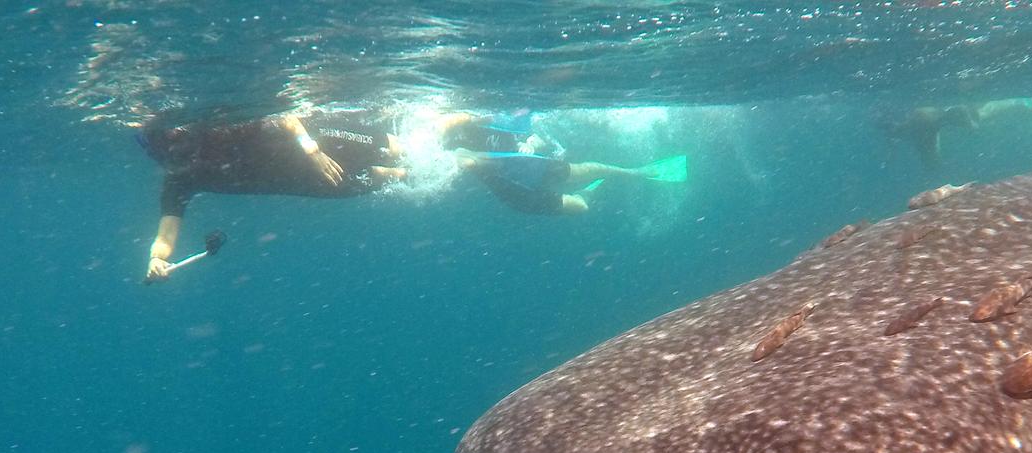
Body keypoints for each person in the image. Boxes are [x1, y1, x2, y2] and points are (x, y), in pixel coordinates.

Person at [139, 110, 406, 283]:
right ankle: (415, 171)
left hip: (314, 141)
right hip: (300, 180)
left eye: (177, 150)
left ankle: (438, 125)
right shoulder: (178, 180)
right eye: (167, 156)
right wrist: (157, 260)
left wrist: (313, 152)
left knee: (400, 149)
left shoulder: (217, 133)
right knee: (386, 177)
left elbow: (287, 120)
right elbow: (165, 235)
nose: (177, 160)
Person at [438, 112, 688, 215]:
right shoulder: (452, 141)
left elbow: (526, 131)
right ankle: (598, 186)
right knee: (580, 206)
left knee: (582, 170)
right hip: (513, 191)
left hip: (526, 165)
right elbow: (467, 161)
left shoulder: (485, 121)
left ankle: (634, 173)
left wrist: (532, 145)